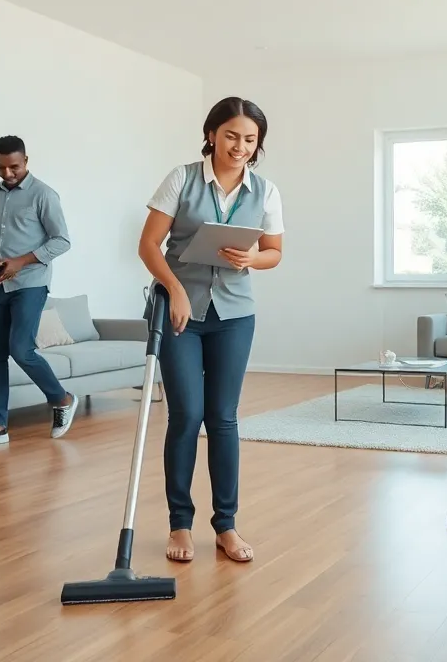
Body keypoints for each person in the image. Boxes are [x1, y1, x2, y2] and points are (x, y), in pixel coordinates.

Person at [138, 96, 284, 563]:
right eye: (231, 136)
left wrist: (252, 258)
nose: (239, 146)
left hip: (235, 317)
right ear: (211, 134)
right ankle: (179, 524)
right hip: (181, 314)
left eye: (249, 139)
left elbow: (274, 252)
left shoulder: (266, 192)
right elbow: (148, 244)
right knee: (185, 416)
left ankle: (226, 525)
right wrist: (174, 289)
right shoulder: (180, 178)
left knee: (223, 418)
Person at [0, 135, 78, 449]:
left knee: (21, 349)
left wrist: (21, 262)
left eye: (14, 166)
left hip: (30, 284)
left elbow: (61, 241)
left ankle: (62, 399)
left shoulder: (44, 195)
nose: (8, 173)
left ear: (26, 161)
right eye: (1, 167)